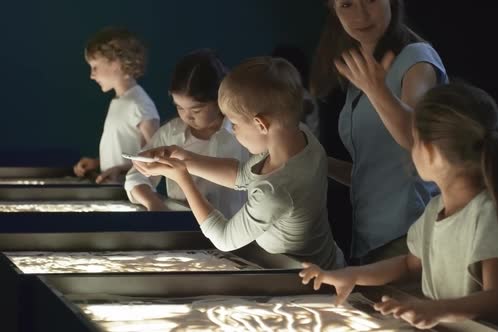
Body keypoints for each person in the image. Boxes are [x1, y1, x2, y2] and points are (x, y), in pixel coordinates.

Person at [300, 82, 498, 330]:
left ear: (431, 152)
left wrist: (437, 310)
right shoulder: (435, 208)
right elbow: (409, 264)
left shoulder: (484, 215)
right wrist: (353, 275)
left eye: (413, 141)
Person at [133, 57, 345, 269]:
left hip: (308, 279)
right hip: (322, 262)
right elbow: (243, 175)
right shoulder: (301, 138)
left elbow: (224, 238)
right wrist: (184, 158)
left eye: (234, 124)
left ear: (260, 124)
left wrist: (183, 179)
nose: (233, 130)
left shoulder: (274, 192)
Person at [310, 0, 448, 264]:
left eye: (371, 1)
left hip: (411, 234)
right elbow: (372, 172)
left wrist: (377, 90)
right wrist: (314, 160)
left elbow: (415, 139)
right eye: (347, 5)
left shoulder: (416, 57)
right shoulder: (362, 77)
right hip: (369, 237)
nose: (361, 14)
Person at [125, 49, 247, 214]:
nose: (187, 116)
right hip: (183, 228)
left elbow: (250, 177)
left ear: (219, 99)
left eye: (196, 110)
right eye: (179, 107)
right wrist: (154, 204)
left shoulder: (244, 133)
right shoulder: (171, 133)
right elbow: (135, 177)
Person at [73, 26, 160, 184]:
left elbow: (155, 161)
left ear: (116, 62)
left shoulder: (139, 104)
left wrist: (120, 170)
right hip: (113, 193)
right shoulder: (119, 102)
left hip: (131, 197)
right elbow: (124, 151)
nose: (91, 75)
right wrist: (97, 163)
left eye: (95, 67)